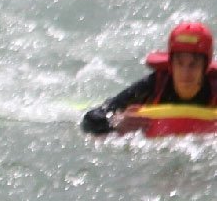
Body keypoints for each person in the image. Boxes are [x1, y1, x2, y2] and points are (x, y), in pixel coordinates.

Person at [82, 21, 217, 135]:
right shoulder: (155, 85)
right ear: (170, 64)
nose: (185, 73)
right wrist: (115, 122)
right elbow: (90, 120)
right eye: (179, 63)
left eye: (193, 65)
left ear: (205, 66)